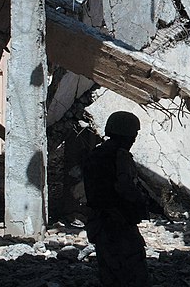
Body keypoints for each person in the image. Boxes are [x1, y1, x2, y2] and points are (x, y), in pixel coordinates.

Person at [83, 111, 150, 287]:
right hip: (118, 221)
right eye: (134, 134)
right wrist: (141, 202)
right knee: (132, 270)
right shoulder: (120, 156)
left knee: (109, 270)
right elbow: (125, 187)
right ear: (127, 134)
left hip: (99, 221)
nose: (134, 139)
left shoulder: (96, 154)